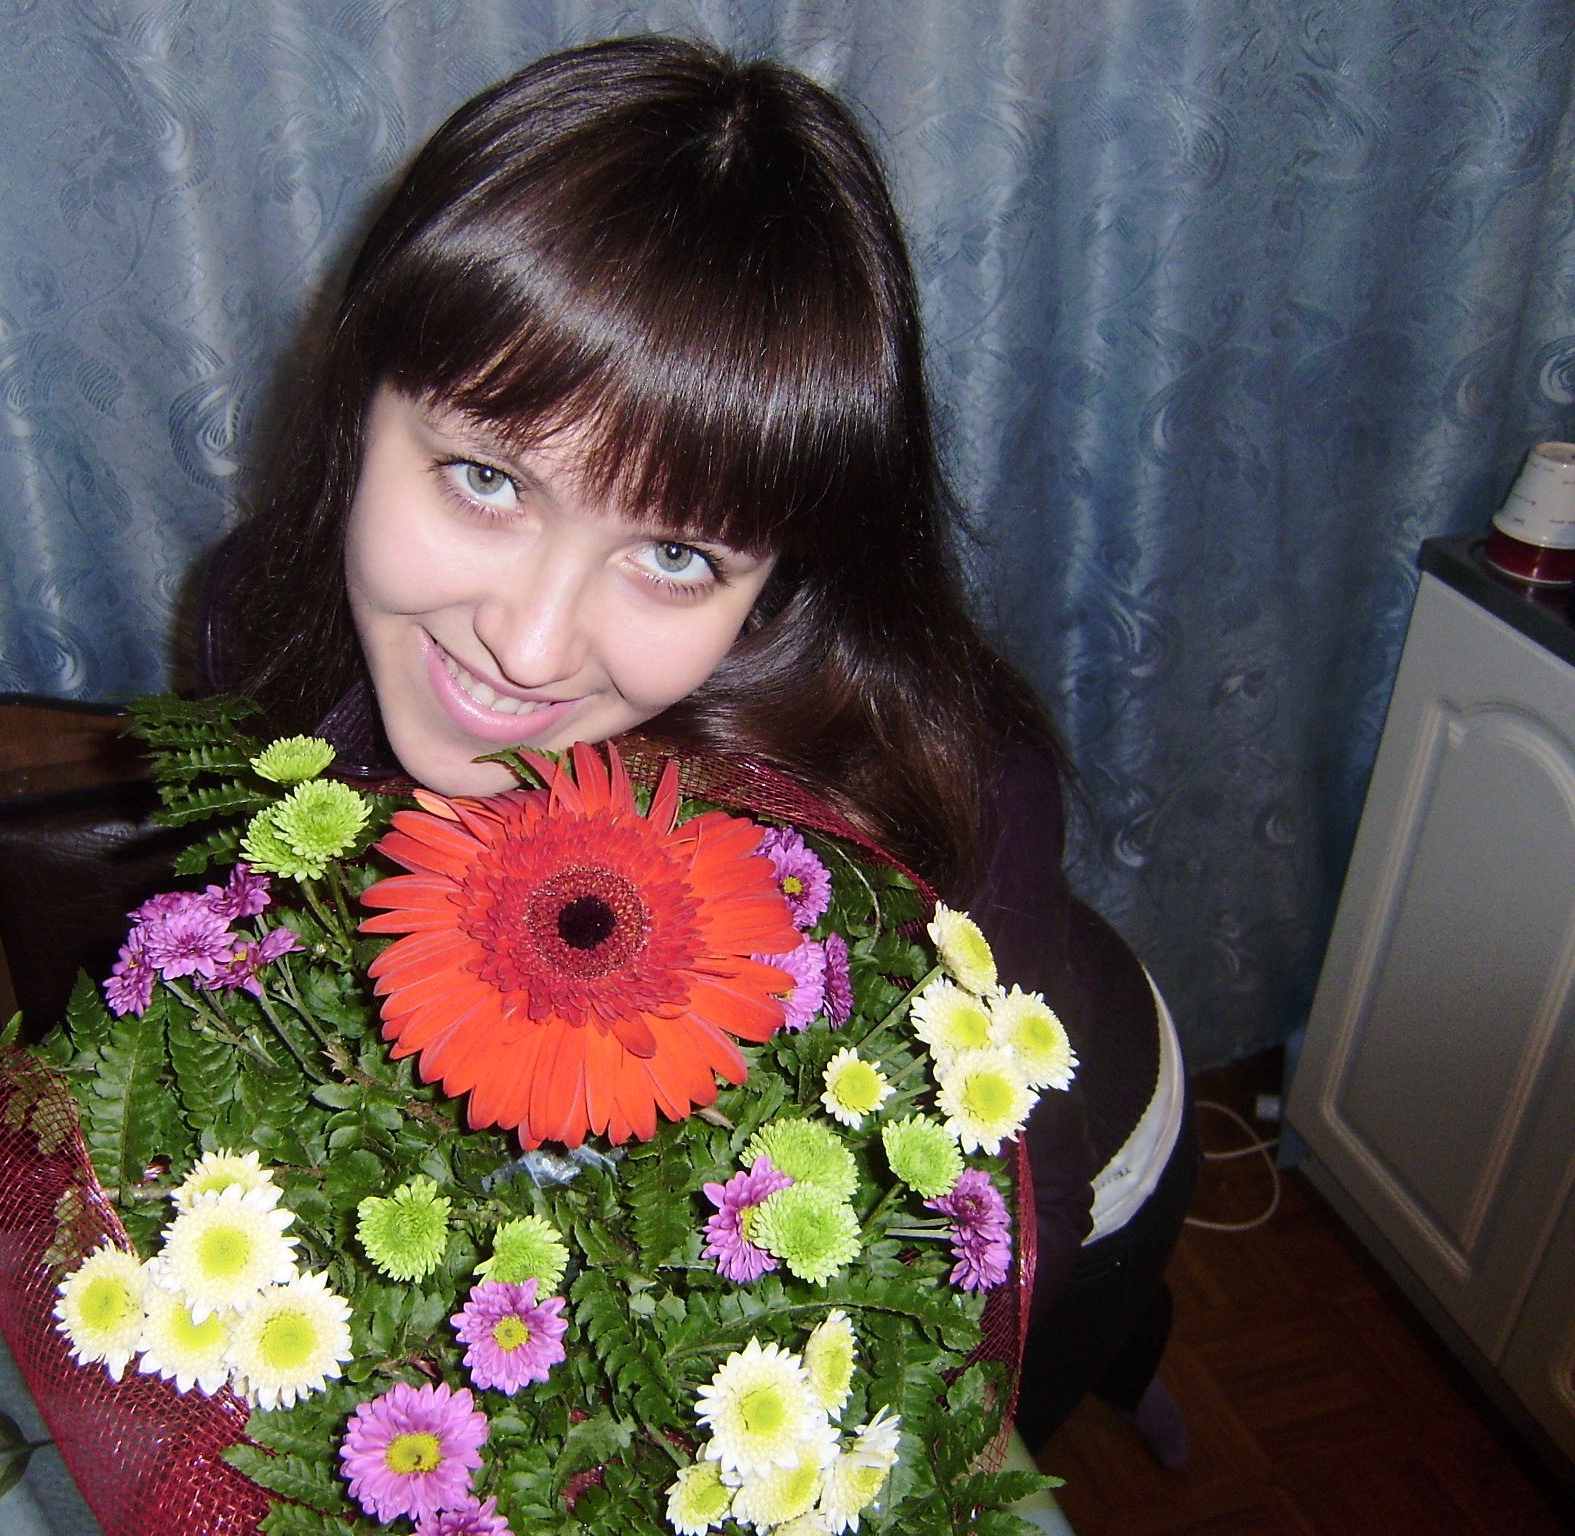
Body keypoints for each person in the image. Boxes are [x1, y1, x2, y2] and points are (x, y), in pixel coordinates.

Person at [203, 34, 1197, 1463]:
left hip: (1071, 1153)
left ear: (782, 576)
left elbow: (978, 1249)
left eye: (674, 554)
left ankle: (1129, 1357)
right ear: (360, 403)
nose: (528, 646)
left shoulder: (924, 789)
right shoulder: (258, 623)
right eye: (484, 478)